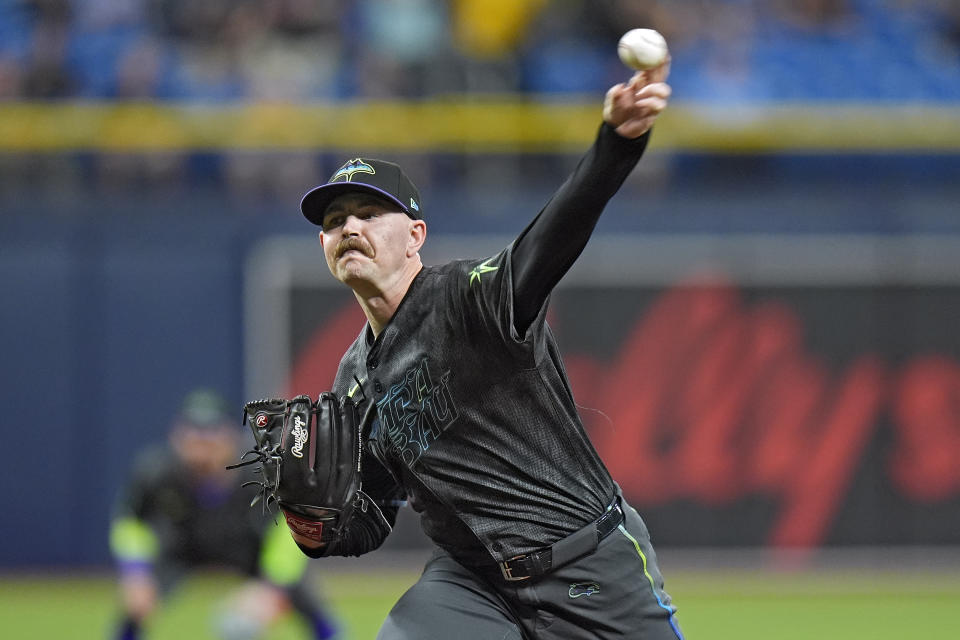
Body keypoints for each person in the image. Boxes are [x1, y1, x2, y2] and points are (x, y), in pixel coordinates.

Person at [290, 59, 680, 639]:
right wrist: (313, 527)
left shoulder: (469, 298)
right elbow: (369, 515)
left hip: (585, 563)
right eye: (335, 219)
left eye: (370, 213)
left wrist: (615, 145)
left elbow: (555, 233)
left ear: (415, 235)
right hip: (470, 584)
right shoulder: (352, 378)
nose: (350, 227)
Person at [109, 389, 339, 640]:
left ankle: (329, 634)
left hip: (248, 548)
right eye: (193, 431)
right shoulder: (156, 472)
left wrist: (272, 586)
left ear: (231, 436)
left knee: (298, 589)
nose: (201, 441)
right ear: (176, 435)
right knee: (136, 602)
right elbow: (130, 520)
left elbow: (292, 526)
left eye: (211, 432)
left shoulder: (264, 470)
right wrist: (136, 571)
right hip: (182, 547)